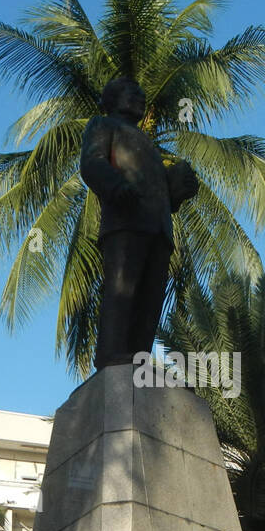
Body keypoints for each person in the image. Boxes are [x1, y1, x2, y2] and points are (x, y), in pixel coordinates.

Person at [79, 77, 198, 368]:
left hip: (157, 227)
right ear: (113, 98)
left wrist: (179, 189)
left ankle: (139, 354)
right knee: (122, 289)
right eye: (133, 93)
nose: (139, 98)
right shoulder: (103, 125)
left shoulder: (147, 144)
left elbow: (161, 193)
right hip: (125, 221)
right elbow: (91, 163)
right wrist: (116, 186)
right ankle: (111, 352)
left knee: (150, 298)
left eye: (142, 94)